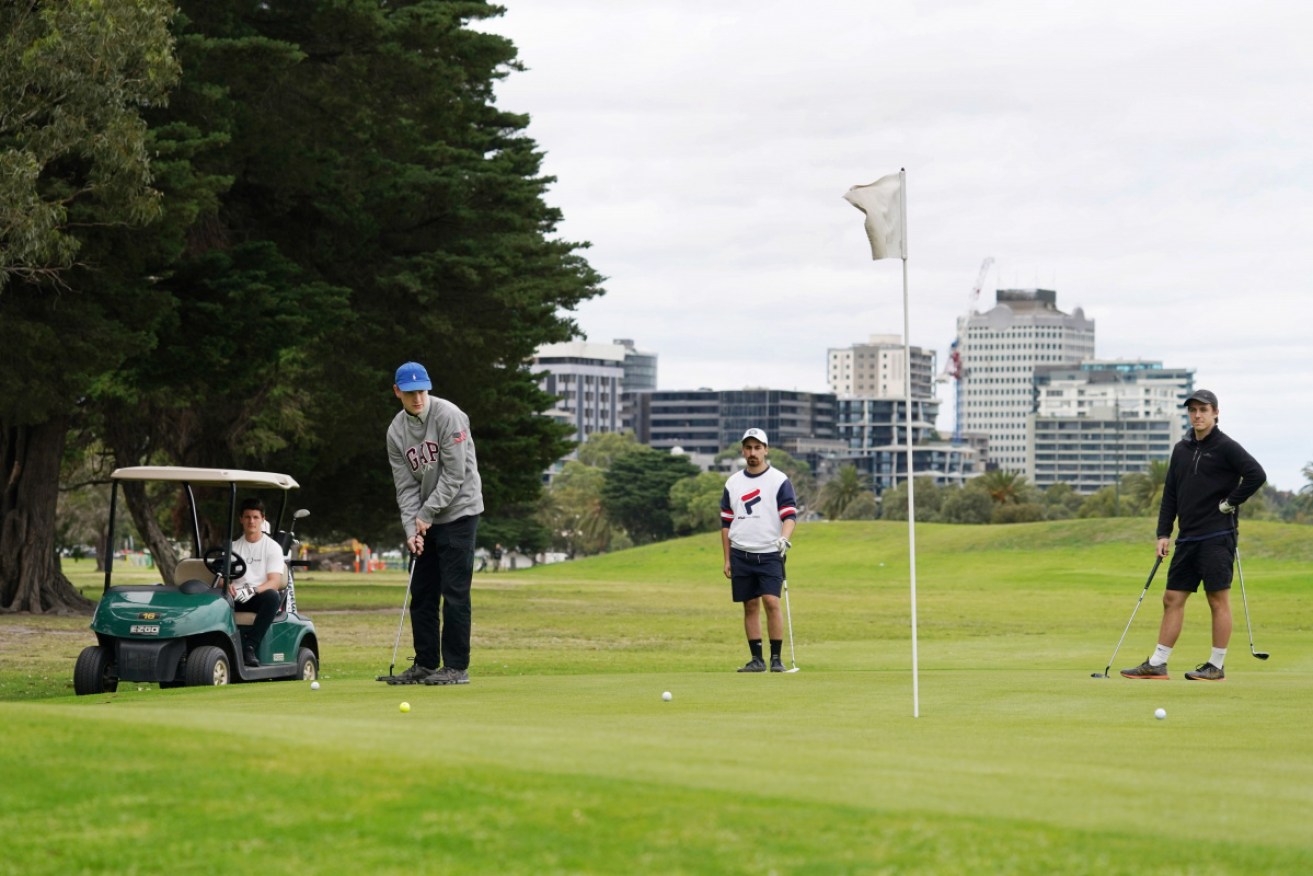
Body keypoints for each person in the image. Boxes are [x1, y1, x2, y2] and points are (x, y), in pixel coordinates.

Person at [1122, 389, 1265, 682]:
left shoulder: (1226, 447)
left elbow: (1256, 474)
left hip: (1218, 535)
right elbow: (1170, 494)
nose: (1197, 415)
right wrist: (1164, 533)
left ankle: (1216, 665)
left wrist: (1230, 502)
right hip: (1187, 536)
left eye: (1203, 409)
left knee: (1217, 599)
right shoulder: (1182, 448)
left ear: (1215, 413)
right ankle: (1158, 663)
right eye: (1193, 410)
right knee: (1172, 597)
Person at [385, 361, 484, 686]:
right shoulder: (396, 432)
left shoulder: (449, 416)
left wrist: (425, 515)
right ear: (397, 392)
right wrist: (412, 530)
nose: (418, 399)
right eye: (411, 393)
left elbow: (455, 475)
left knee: (454, 592)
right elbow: (406, 486)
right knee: (423, 591)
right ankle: (425, 664)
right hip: (426, 516)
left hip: (460, 511)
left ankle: (456, 666)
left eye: (422, 391)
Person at [721, 428, 797, 673]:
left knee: (771, 602)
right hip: (741, 552)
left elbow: (789, 515)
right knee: (750, 605)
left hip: (769, 552)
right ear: (743, 450)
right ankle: (757, 660)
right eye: (748, 448)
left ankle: (776, 659)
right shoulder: (733, 483)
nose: (752, 453)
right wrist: (727, 558)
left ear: (766, 449)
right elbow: (726, 523)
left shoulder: (779, 480)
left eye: (757, 448)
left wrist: (784, 539)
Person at [228, 498, 286, 667]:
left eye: (255, 517)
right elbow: (223, 578)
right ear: (241, 519)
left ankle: (250, 646)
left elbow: (274, 582)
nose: (251, 521)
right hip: (235, 597)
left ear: (262, 519)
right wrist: (226, 585)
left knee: (272, 597)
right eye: (247, 517)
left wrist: (253, 590)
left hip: (257, 597)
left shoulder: (272, 547)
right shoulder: (233, 547)